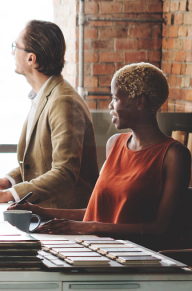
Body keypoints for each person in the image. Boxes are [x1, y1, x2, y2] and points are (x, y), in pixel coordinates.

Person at [27, 63, 191, 251]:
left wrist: (91, 227)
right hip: (98, 251)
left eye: (115, 98)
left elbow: (161, 229)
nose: (110, 105)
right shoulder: (114, 144)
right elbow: (96, 213)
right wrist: (40, 212)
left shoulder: (174, 155)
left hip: (140, 261)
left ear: (140, 102)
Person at [0, 20, 99, 208]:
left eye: (16, 47)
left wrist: (9, 195)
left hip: (62, 216)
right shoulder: (44, 95)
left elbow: (64, 172)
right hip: (44, 212)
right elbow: (40, 163)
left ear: (31, 58)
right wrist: (9, 181)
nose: (13, 52)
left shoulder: (63, 101)